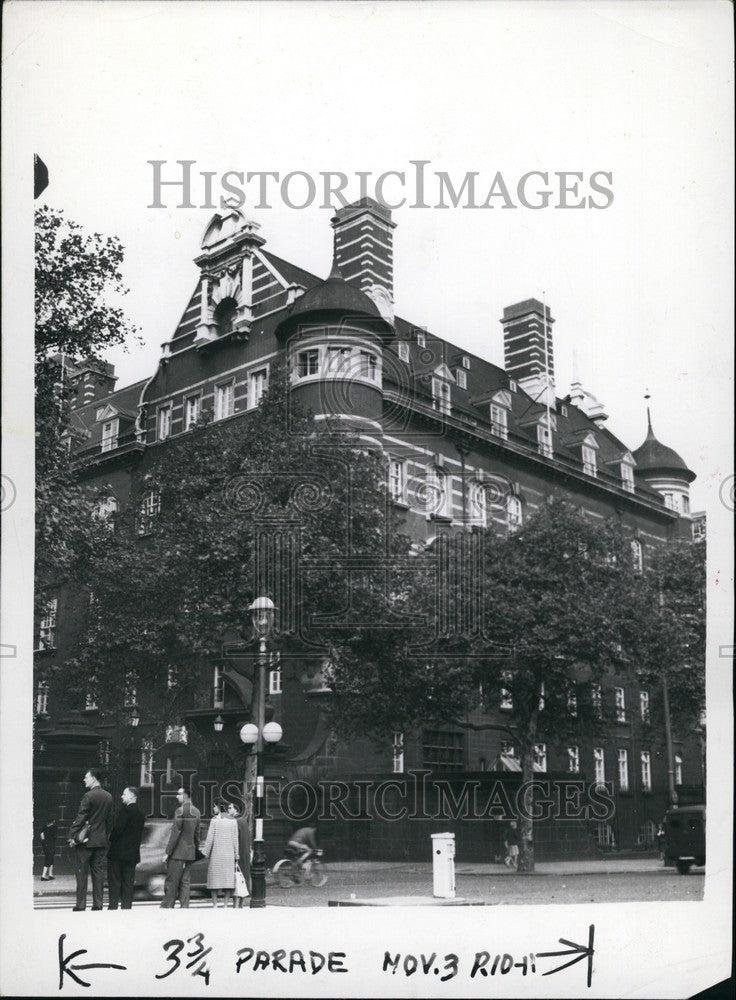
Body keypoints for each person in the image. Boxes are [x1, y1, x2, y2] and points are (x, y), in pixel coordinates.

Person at [67, 768, 113, 911]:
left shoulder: (88, 796)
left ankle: (81, 905)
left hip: (86, 841)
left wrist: (72, 836)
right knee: (98, 873)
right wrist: (106, 836)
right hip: (101, 841)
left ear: (93, 778)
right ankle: (98, 904)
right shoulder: (108, 796)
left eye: (86, 777)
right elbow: (110, 820)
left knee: (81, 873)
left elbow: (81, 817)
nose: (84, 780)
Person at [160, 787, 201, 909]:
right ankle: (184, 908)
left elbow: (175, 833)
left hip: (177, 853)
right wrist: (194, 849)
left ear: (186, 796)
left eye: (179, 794)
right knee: (185, 882)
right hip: (190, 852)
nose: (176, 796)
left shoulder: (180, 811)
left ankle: (168, 907)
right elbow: (197, 834)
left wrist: (167, 852)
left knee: (172, 882)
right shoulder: (197, 812)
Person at [107, 786, 146, 910]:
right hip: (132, 854)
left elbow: (118, 830)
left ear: (131, 796)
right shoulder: (140, 814)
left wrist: (110, 838)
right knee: (128, 883)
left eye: (124, 794)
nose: (121, 796)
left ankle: (113, 907)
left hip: (118, 853)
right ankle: (126, 908)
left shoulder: (124, 811)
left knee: (115, 882)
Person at [201, 799, 239, 907]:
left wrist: (205, 852)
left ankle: (215, 904)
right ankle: (226, 904)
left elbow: (209, 839)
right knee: (228, 881)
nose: (213, 809)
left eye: (214, 806)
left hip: (217, 854)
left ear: (219, 807)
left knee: (214, 880)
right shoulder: (233, 821)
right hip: (229, 855)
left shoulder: (214, 820)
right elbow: (235, 839)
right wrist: (236, 854)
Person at [228, 802, 252, 907]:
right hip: (245, 852)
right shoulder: (243, 821)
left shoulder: (235, 821)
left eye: (230, 808)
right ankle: (241, 902)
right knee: (243, 877)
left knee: (236, 878)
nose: (228, 810)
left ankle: (236, 903)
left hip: (238, 853)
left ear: (236, 809)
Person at [40, 816, 57, 881]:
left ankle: (50, 874)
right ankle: (43, 876)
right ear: (53, 821)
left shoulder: (44, 826)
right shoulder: (54, 827)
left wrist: (44, 842)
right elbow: (55, 837)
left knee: (50, 858)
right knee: (49, 859)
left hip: (45, 844)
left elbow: (41, 834)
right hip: (51, 845)